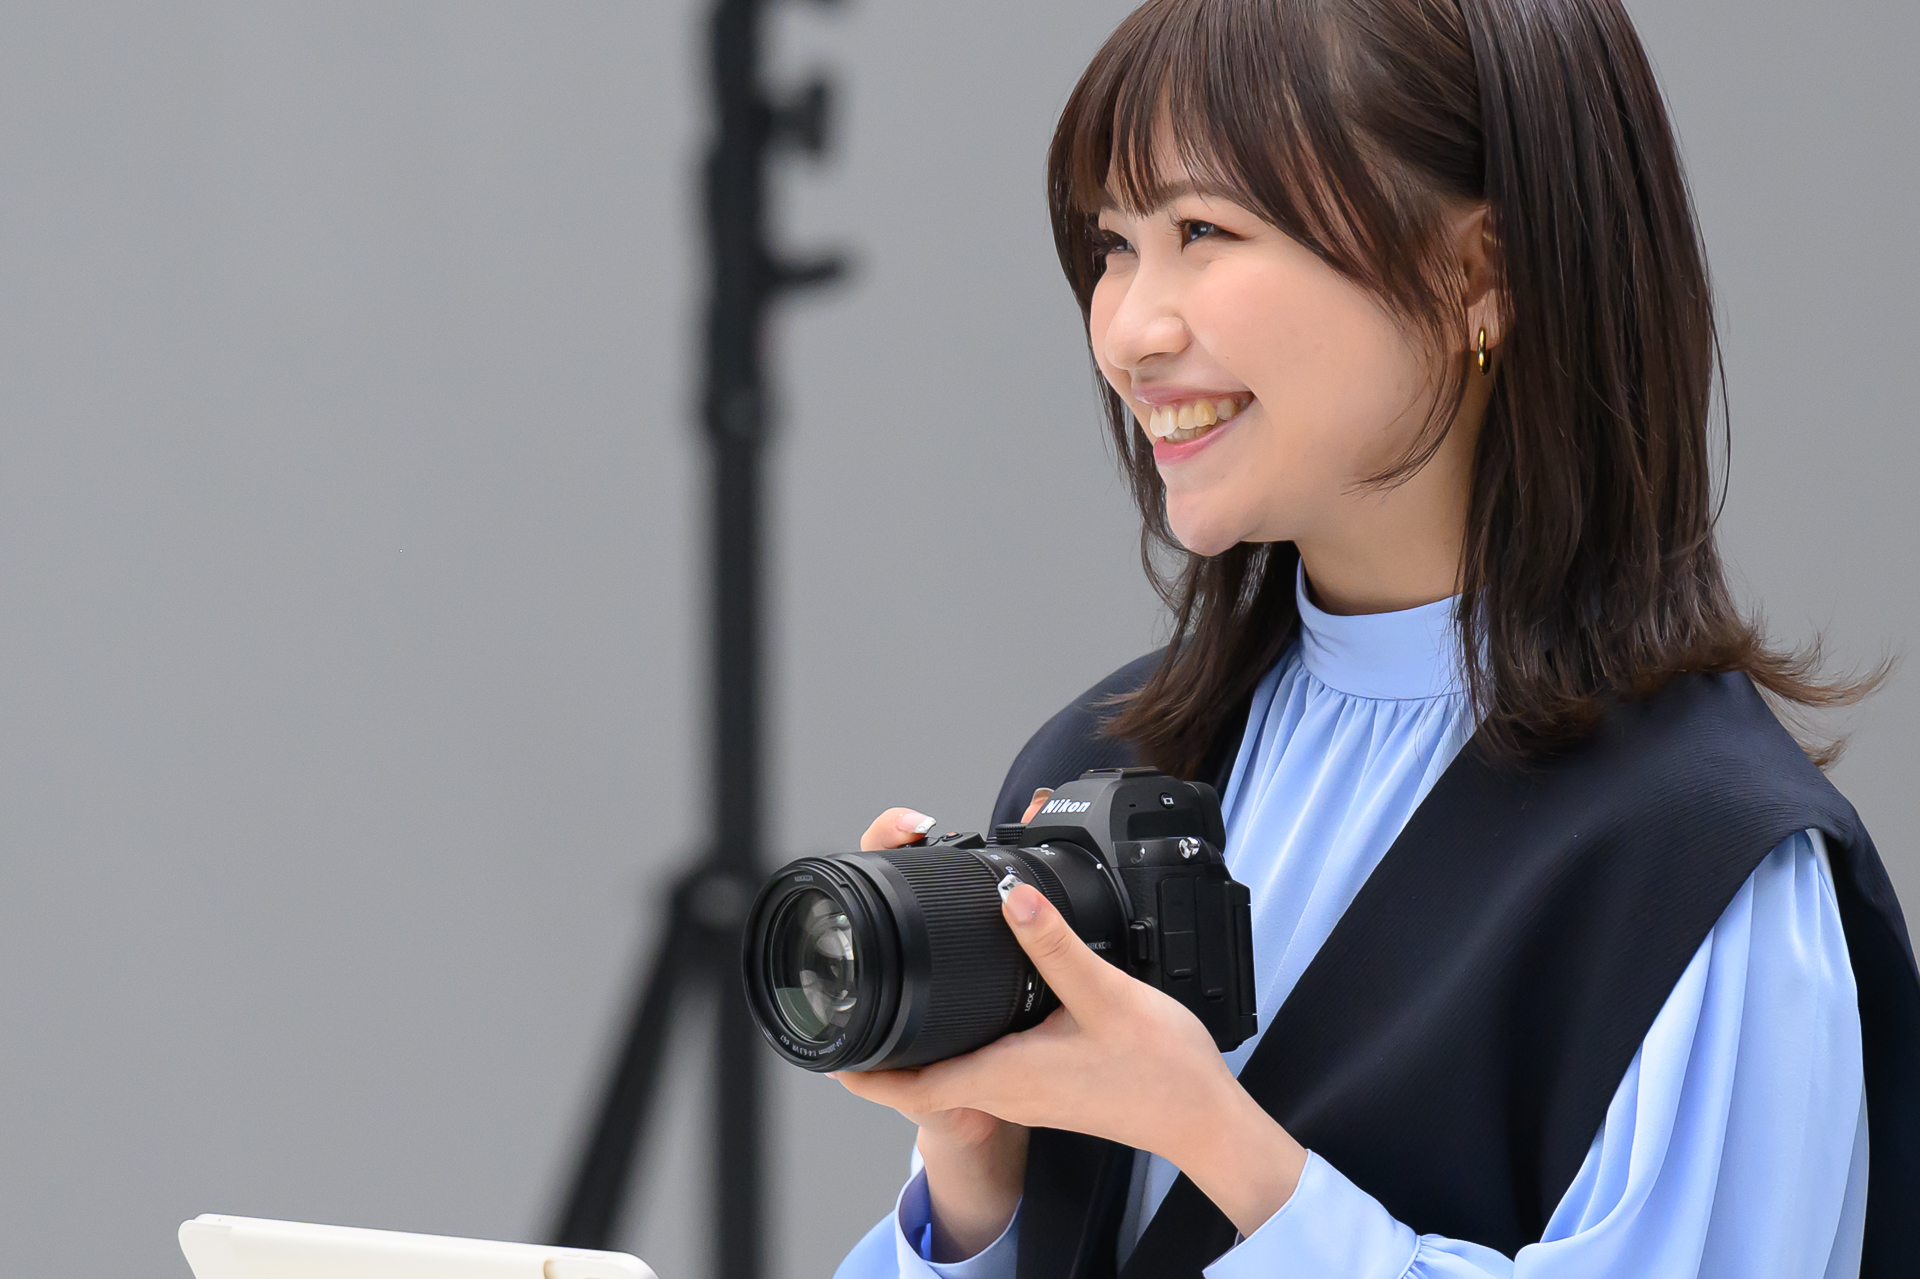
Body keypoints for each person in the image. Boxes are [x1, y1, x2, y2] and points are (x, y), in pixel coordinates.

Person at [827, 1, 1916, 1276]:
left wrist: (1214, 1138)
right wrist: (974, 1190)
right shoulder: (1097, 767)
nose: (1128, 333)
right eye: (1114, 245)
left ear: (1478, 271)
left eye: (1203, 231)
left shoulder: (1699, 862)